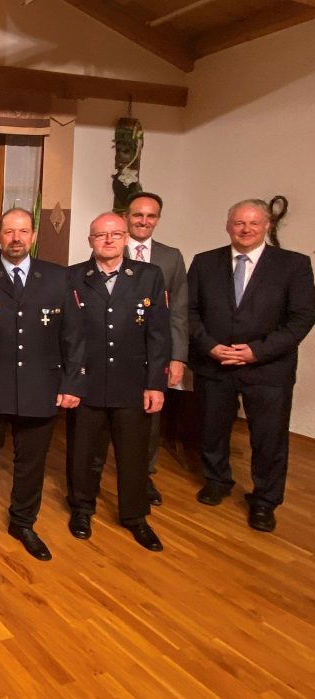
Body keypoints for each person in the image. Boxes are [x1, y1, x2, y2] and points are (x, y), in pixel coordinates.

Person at [0, 208, 85, 562]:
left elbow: (73, 337)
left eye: (23, 231)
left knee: (31, 463)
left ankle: (23, 522)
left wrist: (72, 383)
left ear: (33, 236)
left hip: (40, 386)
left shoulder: (57, 278)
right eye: (9, 231)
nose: (16, 238)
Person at [188, 199, 315, 532]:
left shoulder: (294, 265)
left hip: (267, 368)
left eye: (253, 224)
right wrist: (210, 346)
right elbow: (189, 312)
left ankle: (265, 501)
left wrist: (256, 352)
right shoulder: (204, 263)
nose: (245, 230)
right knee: (212, 429)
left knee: (269, 439)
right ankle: (217, 481)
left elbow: (301, 318)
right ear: (228, 225)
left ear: (267, 226)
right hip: (214, 364)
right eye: (239, 223)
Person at [66, 212, 169, 552]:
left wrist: (156, 383)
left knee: (133, 455)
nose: (108, 240)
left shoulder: (149, 276)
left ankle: (135, 516)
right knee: (83, 454)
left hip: (132, 382)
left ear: (126, 238)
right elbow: (64, 336)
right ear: (90, 240)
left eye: (115, 234)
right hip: (86, 383)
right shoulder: (72, 278)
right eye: (100, 235)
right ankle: (81, 508)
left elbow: (158, 335)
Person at [123, 191, 187, 504]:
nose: (144, 221)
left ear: (157, 220)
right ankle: (93, 473)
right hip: (114, 349)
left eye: (150, 216)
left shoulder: (171, 257)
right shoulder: (110, 245)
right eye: (138, 215)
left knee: (150, 416)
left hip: (155, 350)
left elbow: (178, 310)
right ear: (126, 217)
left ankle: (143, 477)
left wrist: (177, 357)